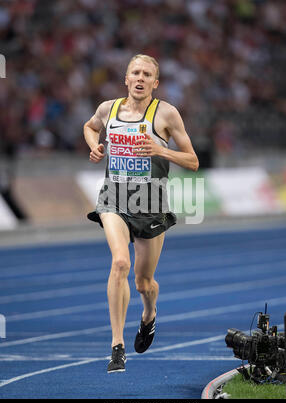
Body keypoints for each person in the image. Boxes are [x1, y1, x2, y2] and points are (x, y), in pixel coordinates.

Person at [83, 54, 199, 373]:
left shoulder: (166, 113)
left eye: (147, 74)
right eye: (135, 72)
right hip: (114, 198)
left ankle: (149, 314)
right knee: (120, 262)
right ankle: (117, 347)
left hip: (150, 204)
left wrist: (161, 149)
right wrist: (94, 145)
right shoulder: (109, 109)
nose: (140, 77)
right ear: (126, 78)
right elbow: (90, 126)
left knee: (143, 282)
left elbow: (193, 161)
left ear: (154, 83)